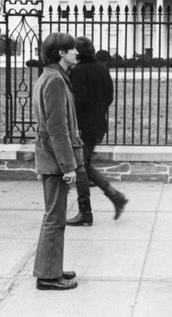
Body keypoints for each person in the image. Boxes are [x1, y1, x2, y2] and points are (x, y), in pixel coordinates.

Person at [32, 33, 86, 291]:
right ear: (60, 54)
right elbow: (57, 128)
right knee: (54, 218)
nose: (76, 52)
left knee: (55, 216)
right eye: (71, 49)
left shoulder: (53, 77)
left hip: (52, 157)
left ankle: (51, 268)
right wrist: (68, 166)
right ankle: (47, 277)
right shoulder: (54, 81)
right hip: (55, 160)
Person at [66, 36, 127, 226]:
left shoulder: (78, 72)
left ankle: (86, 212)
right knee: (84, 164)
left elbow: (78, 100)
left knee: (80, 167)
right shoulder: (102, 69)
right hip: (99, 123)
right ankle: (115, 196)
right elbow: (109, 97)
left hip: (82, 126)